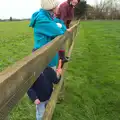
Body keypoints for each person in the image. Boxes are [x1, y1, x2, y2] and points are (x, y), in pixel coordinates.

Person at [29, 0, 71, 70]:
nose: (58, 7)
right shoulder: (42, 19)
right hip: (44, 57)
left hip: (50, 54)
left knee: (52, 76)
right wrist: (60, 26)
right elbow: (59, 31)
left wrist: (60, 26)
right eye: (57, 6)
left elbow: (61, 24)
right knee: (49, 78)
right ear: (52, 7)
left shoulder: (49, 16)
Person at [55, 0, 80, 66]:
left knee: (63, 41)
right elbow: (62, 18)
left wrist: (67, 27)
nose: (75, 2)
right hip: (58, 24)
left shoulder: (71, 6)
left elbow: (69, 18)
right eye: (74, 1)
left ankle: (62, 57)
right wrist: (64, 29)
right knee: (61, 40)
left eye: (77, 1)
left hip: (63, 24)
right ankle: (60, 58)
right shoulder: (64, 5)